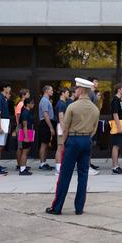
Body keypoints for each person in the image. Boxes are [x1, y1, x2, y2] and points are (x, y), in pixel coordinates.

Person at [47, 78, 100, 215]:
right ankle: (79, 208)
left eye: (76, 88)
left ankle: (57, 207)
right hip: (86, 140)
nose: (75, 91)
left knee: (65, 174)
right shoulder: (95, 109)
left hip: (73, 140)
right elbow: (94, 129)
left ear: (81, 90)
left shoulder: (72, 106)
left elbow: (65, 128)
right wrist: (87, 137)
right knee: (83, 175)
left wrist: (64, 143)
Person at [110, 83, 122, 174]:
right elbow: (115, 114)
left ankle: (116, 165)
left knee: (118, 145)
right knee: (116, 145)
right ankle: (114, 167)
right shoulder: (115, 100)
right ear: (119, 90)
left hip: (121, 124)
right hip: (118, 125)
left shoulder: (120, 100)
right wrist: (119, 126)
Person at [37, 85, 55, 171]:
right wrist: (51, 127)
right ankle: (42, 163)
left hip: (46, 123)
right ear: (46, 91)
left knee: (46, 143)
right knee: (44, 144)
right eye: (51, 90)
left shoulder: (47, 100)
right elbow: (45, 115)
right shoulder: (44, 100)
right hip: (45, 123)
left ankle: (44, 162)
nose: (52, 91)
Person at [54, 87, 70, 173]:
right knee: (60, 147)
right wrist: (64, 129)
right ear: (63, 93)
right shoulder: (61, 104)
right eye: (67, 92)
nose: (68, 94)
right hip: (61, 127)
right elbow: (61, 117)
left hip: (62, 127)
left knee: (62, 147)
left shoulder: (63, 103)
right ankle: (58, 168)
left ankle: (60, 167)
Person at [17, 97, 35, 175]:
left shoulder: (28, 111)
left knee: (27, 150)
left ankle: (23, 167)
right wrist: (26, 136)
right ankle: (22, 169)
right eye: (32, 103)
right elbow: (24, 125)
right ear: (27, 104)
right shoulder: (25, 112)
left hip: (29, 131)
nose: (33, 104)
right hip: (25, 132)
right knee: (24, 150)